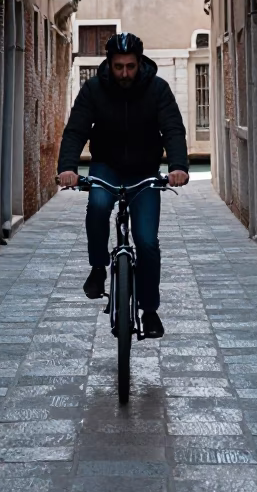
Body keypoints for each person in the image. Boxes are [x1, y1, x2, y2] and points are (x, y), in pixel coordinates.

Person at [57, 32, 190, 339]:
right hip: (107, 166)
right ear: (110, 63)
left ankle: (150, 310)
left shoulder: (158, 90)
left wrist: (179, 167)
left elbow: (172, 129)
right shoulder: (93, 90)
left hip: (144, 172)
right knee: (99, 205)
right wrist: (67, 168)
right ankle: (98, 267)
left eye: (130, 66)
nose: (125, 73)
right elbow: (76, 130)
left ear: (140, 63)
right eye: (119, 67)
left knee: (146, 242)